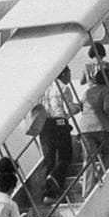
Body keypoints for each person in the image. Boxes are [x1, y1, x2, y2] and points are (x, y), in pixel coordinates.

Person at [37, 67, 81, 203]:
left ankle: (45, 195)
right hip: (60, 125)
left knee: (49, 160)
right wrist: (79, 106)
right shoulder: (64, 88)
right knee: (65, 156)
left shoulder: (45, 88)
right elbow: (68, 109)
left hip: (45, 127)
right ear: (64, 74)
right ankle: (53, 178)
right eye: (69, 74)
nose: (70, 77)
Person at [79, 68, 109, 193]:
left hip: (85, 129)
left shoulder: (87, 92)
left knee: (89, 160)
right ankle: (99, 179)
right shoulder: (106, 90)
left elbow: (82, 106)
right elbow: (108, 107)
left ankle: (86, 192)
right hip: (101, 127)